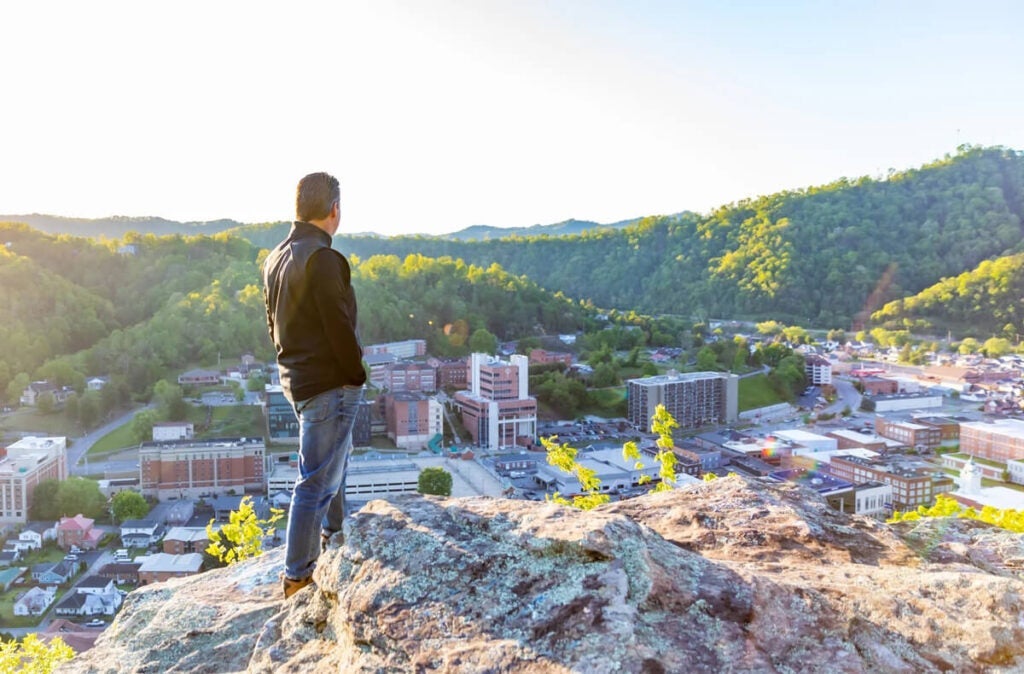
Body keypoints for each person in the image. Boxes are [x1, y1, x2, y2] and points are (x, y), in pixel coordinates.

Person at [262, 172, 366, 598]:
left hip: (298, 380)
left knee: (331, 462)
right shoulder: (323, 259)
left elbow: (273, 324)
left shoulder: (276, 258)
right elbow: (338, 326)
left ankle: (335, 535)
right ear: (335, 210)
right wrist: (355, 373)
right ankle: (297, 576)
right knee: (316, 480)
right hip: (329, 383)